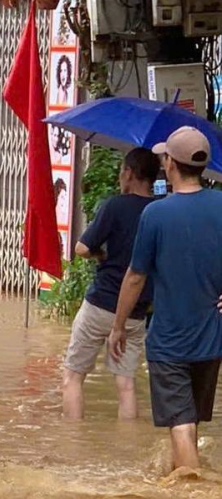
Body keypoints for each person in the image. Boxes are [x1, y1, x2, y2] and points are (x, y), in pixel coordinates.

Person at [108, 127, 222, 471]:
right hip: (213, 339)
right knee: (191, 421)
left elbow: (136, 276)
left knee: (182, 424)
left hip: (170, 341)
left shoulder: (156, 214)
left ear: (170, 164)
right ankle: (180, 490)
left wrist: (118, 326)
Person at [62, 148, 160, 420]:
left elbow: (81, 248)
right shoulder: (160, 211)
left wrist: (101, 254)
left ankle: (72, 446)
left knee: (73, 376)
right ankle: (126, 450)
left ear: (128, 173)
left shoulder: (115, 205)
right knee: (126, 385)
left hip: (101, 305)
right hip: (135, 312)